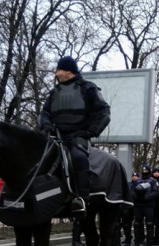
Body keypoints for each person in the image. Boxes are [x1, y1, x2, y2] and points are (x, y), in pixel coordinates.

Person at [38, 56, 110, 218]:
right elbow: (45, 113)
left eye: (58, 70)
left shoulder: (88, 88)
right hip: (55, 136)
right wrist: (46, 125)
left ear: (68, 71)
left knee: (78, 157)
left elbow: (103, 112)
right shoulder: (54, 92)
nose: (56, 73)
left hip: (77, 136)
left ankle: (82, 199)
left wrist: (89, 131)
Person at [129, 164, 158, 246]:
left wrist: (147, 198)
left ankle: (150, 244)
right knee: (137, 224)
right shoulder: (138, 181)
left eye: (146, 171)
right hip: (138, 205)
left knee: (149, 224)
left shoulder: (153, 181)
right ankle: (137, 243)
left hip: (149, 205)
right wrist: (137, 198)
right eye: (143, 170)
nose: (145, 172)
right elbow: (132, 191)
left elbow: (156, 192)